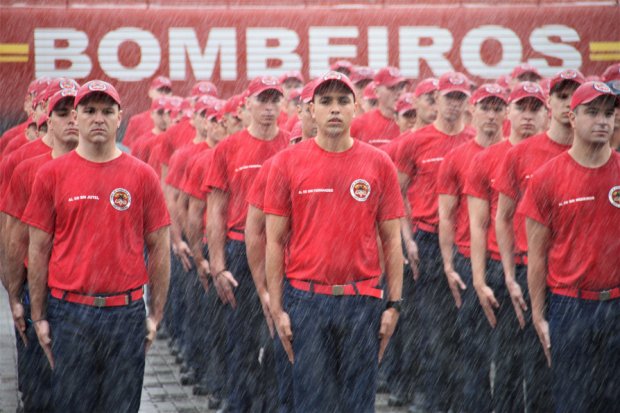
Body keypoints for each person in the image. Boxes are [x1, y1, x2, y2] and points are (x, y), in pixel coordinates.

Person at [22, 80, 171, 412]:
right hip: (70, 313)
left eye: (107, 111)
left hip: (126, 313)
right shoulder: (52, 175)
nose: (98, 118)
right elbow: (38, 248)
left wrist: (156, 314)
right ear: (75, 117)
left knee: (121, 406)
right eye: (89, 111)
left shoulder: (143, 176)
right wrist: (39, 315)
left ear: (120, 118)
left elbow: (160, 247)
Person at [264, 71, 404, 413]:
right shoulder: (287, 163)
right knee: (312, 403)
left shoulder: (378, 163)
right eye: (325, 102)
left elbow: (391, 240)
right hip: (306, 303)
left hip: (362, 302)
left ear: (355, 107)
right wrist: (279, 308)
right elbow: (274, 241)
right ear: (311, 110)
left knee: (358, 404)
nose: (335, 109)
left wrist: (393, 305)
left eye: (343, 101)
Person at [519, 81, 620, 412]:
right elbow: (537, 255)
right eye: (592, 112)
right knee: (572, 400)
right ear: (572, 118)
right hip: (569, 306)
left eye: (609, 113)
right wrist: (538, 314)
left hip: (616, 303)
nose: (603, 120)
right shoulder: (547, 178)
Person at [205, 75, 289, 413]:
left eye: (274, 101)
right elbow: (216, 210)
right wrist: (218, 264)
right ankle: (240, 402)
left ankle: (274, 403)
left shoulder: (291, 146)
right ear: (247, 105)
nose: (269, 109)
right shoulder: (228, 149)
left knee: (279, 331)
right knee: (239, 336)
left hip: (282, 249)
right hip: (240, 250)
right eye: (262, 101)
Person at [393, 71, 475, 413]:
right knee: (432, 328)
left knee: (467, 331)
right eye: (449, 97)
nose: (454, 104)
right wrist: (407, 239)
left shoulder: (476, 140)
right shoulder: (415, 142)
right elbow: (395, 195)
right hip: (426, 241)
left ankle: (463, 400)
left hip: (469, 246)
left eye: (460, 98)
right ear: (435, 99)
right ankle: (434, 400)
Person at [464, 80, 548, 412]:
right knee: (508, 361)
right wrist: (480, 279)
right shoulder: (487, 160)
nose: (528, 116)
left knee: (545, 365)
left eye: (535, 108)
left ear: (547, 113)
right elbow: (479, 224)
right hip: (505, 268)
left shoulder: (560, 156)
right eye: (521, 108)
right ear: (509, 113)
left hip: (550, 269)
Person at [1, 88, 79, 413]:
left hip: (77, 292)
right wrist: (15, 296)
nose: (73, 119)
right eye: (63, 112)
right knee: (38, 388)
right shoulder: (23, 164)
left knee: (76, 387)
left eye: (78, 110)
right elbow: (12, 235)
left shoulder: (96, 166)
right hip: (39, 284)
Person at [437, 83, 507, 412]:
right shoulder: (456, 158)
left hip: (510, 262)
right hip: (469, 260)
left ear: (505, 113)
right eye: (485, 108)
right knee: (473, 347)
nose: (491, 116)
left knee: (512, 354)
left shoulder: (516, 156)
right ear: (472, 112)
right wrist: (449, 265)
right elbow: (446, 217)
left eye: (498, 108)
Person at [351, 67, 408, 147]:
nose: (398, 92)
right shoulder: (359, 124)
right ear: (376, 91)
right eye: (392, 87)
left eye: (401, 87)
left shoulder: (415, 124)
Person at [122, 75, 172, 148]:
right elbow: (127, 149)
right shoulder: (137, 121)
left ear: (171, 95)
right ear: (150, 92)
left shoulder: (177, 120)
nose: (163, 94)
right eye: (160, 90)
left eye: (167, 91)